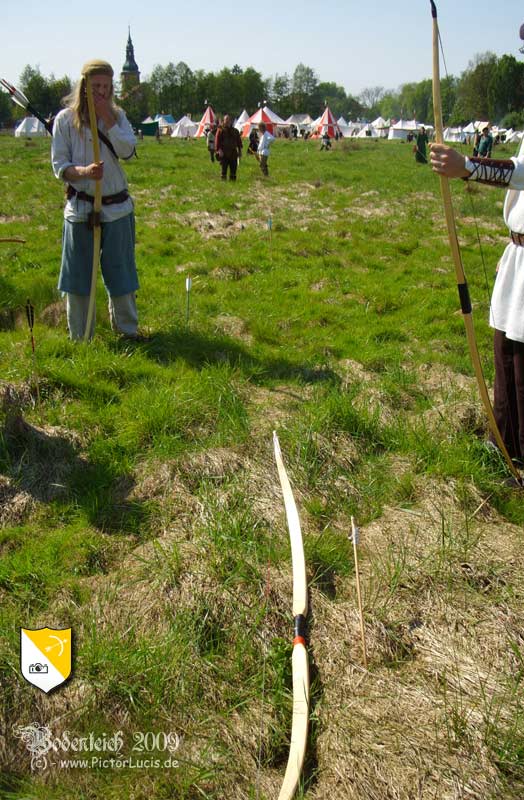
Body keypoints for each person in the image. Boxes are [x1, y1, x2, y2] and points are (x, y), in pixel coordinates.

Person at [430, 112, 524, 465]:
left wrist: (467, 166)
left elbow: (521, 172)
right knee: (505, 354)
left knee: (522, 366)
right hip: (519, 255)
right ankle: (505, 448)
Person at [51, 59, 139, 341]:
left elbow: (127, 150)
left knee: (121, 272)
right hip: (81, 209)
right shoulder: (65, 120)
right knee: (78, 277)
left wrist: (108, 119)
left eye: (106, 87)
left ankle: (127, 332)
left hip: (117, 209)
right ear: (84, 87)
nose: (101, 92)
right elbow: (60, 165)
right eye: (95, 86)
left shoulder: (118, 117)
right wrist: (84, 172)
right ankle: (81, 337)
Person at [215, 115, 243, 181]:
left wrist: (240, 151)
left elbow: (239, 142)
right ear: (224, 121)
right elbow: (217, 141)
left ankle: (233, 185)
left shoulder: (235, 131)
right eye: (226, 120)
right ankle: (223, 187)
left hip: (233, 153)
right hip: (224, 153)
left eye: (229, 120)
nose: (227, 121)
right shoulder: (220, 130)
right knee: (223, 171)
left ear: (231, 121)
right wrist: (219, 150)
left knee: (233, 171)